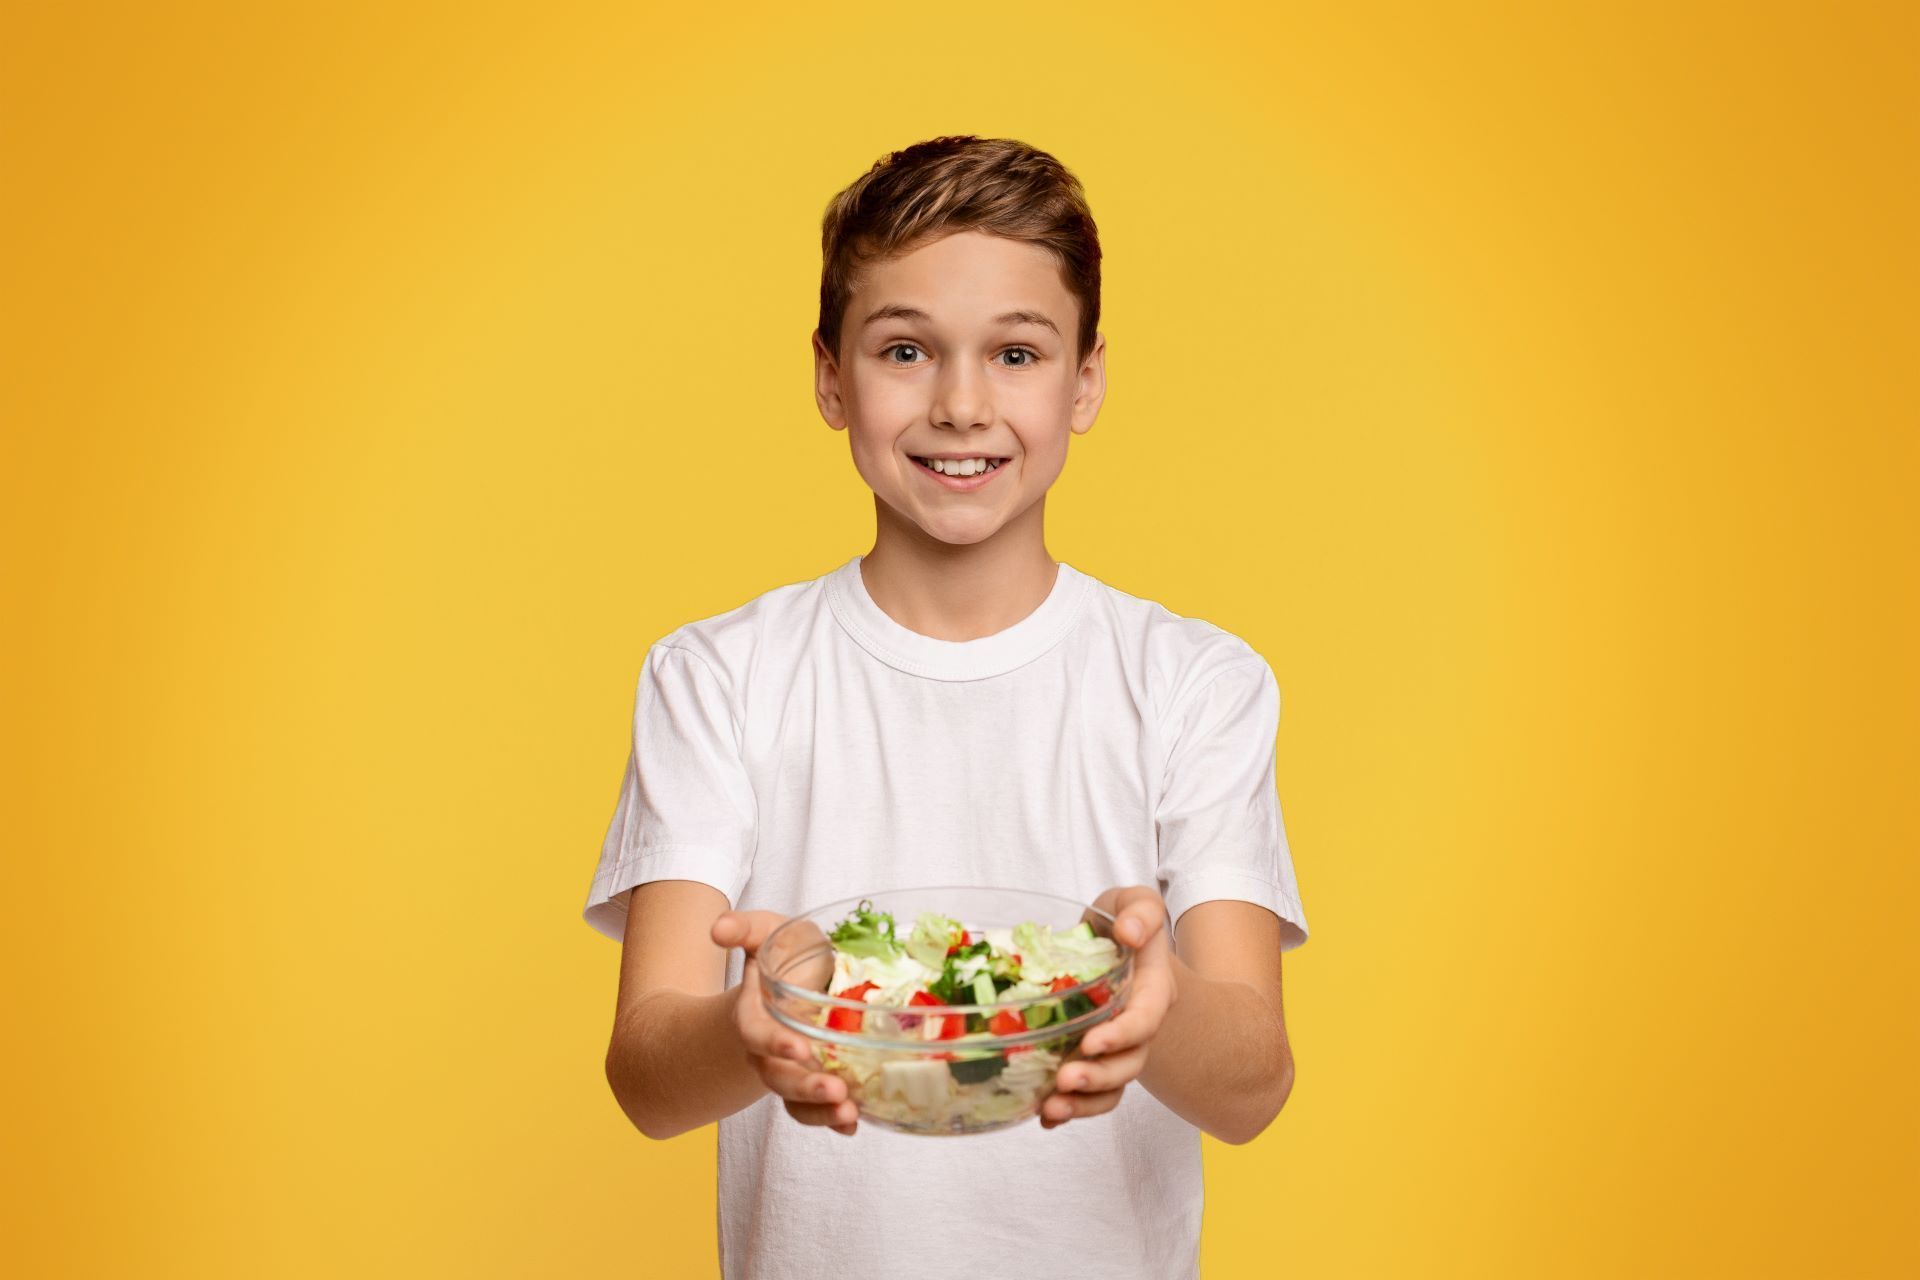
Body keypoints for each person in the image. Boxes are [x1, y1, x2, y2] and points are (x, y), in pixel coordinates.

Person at [582, 134, 1308, 1280]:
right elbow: (646, 1075)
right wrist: (753, 1020)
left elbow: (1255, 1082)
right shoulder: (718, 675)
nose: (962, 403)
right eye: (907, 349)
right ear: (831, 375)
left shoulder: (1193, 683)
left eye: (1015, 352)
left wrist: (1147, 997)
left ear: (1086, 381)